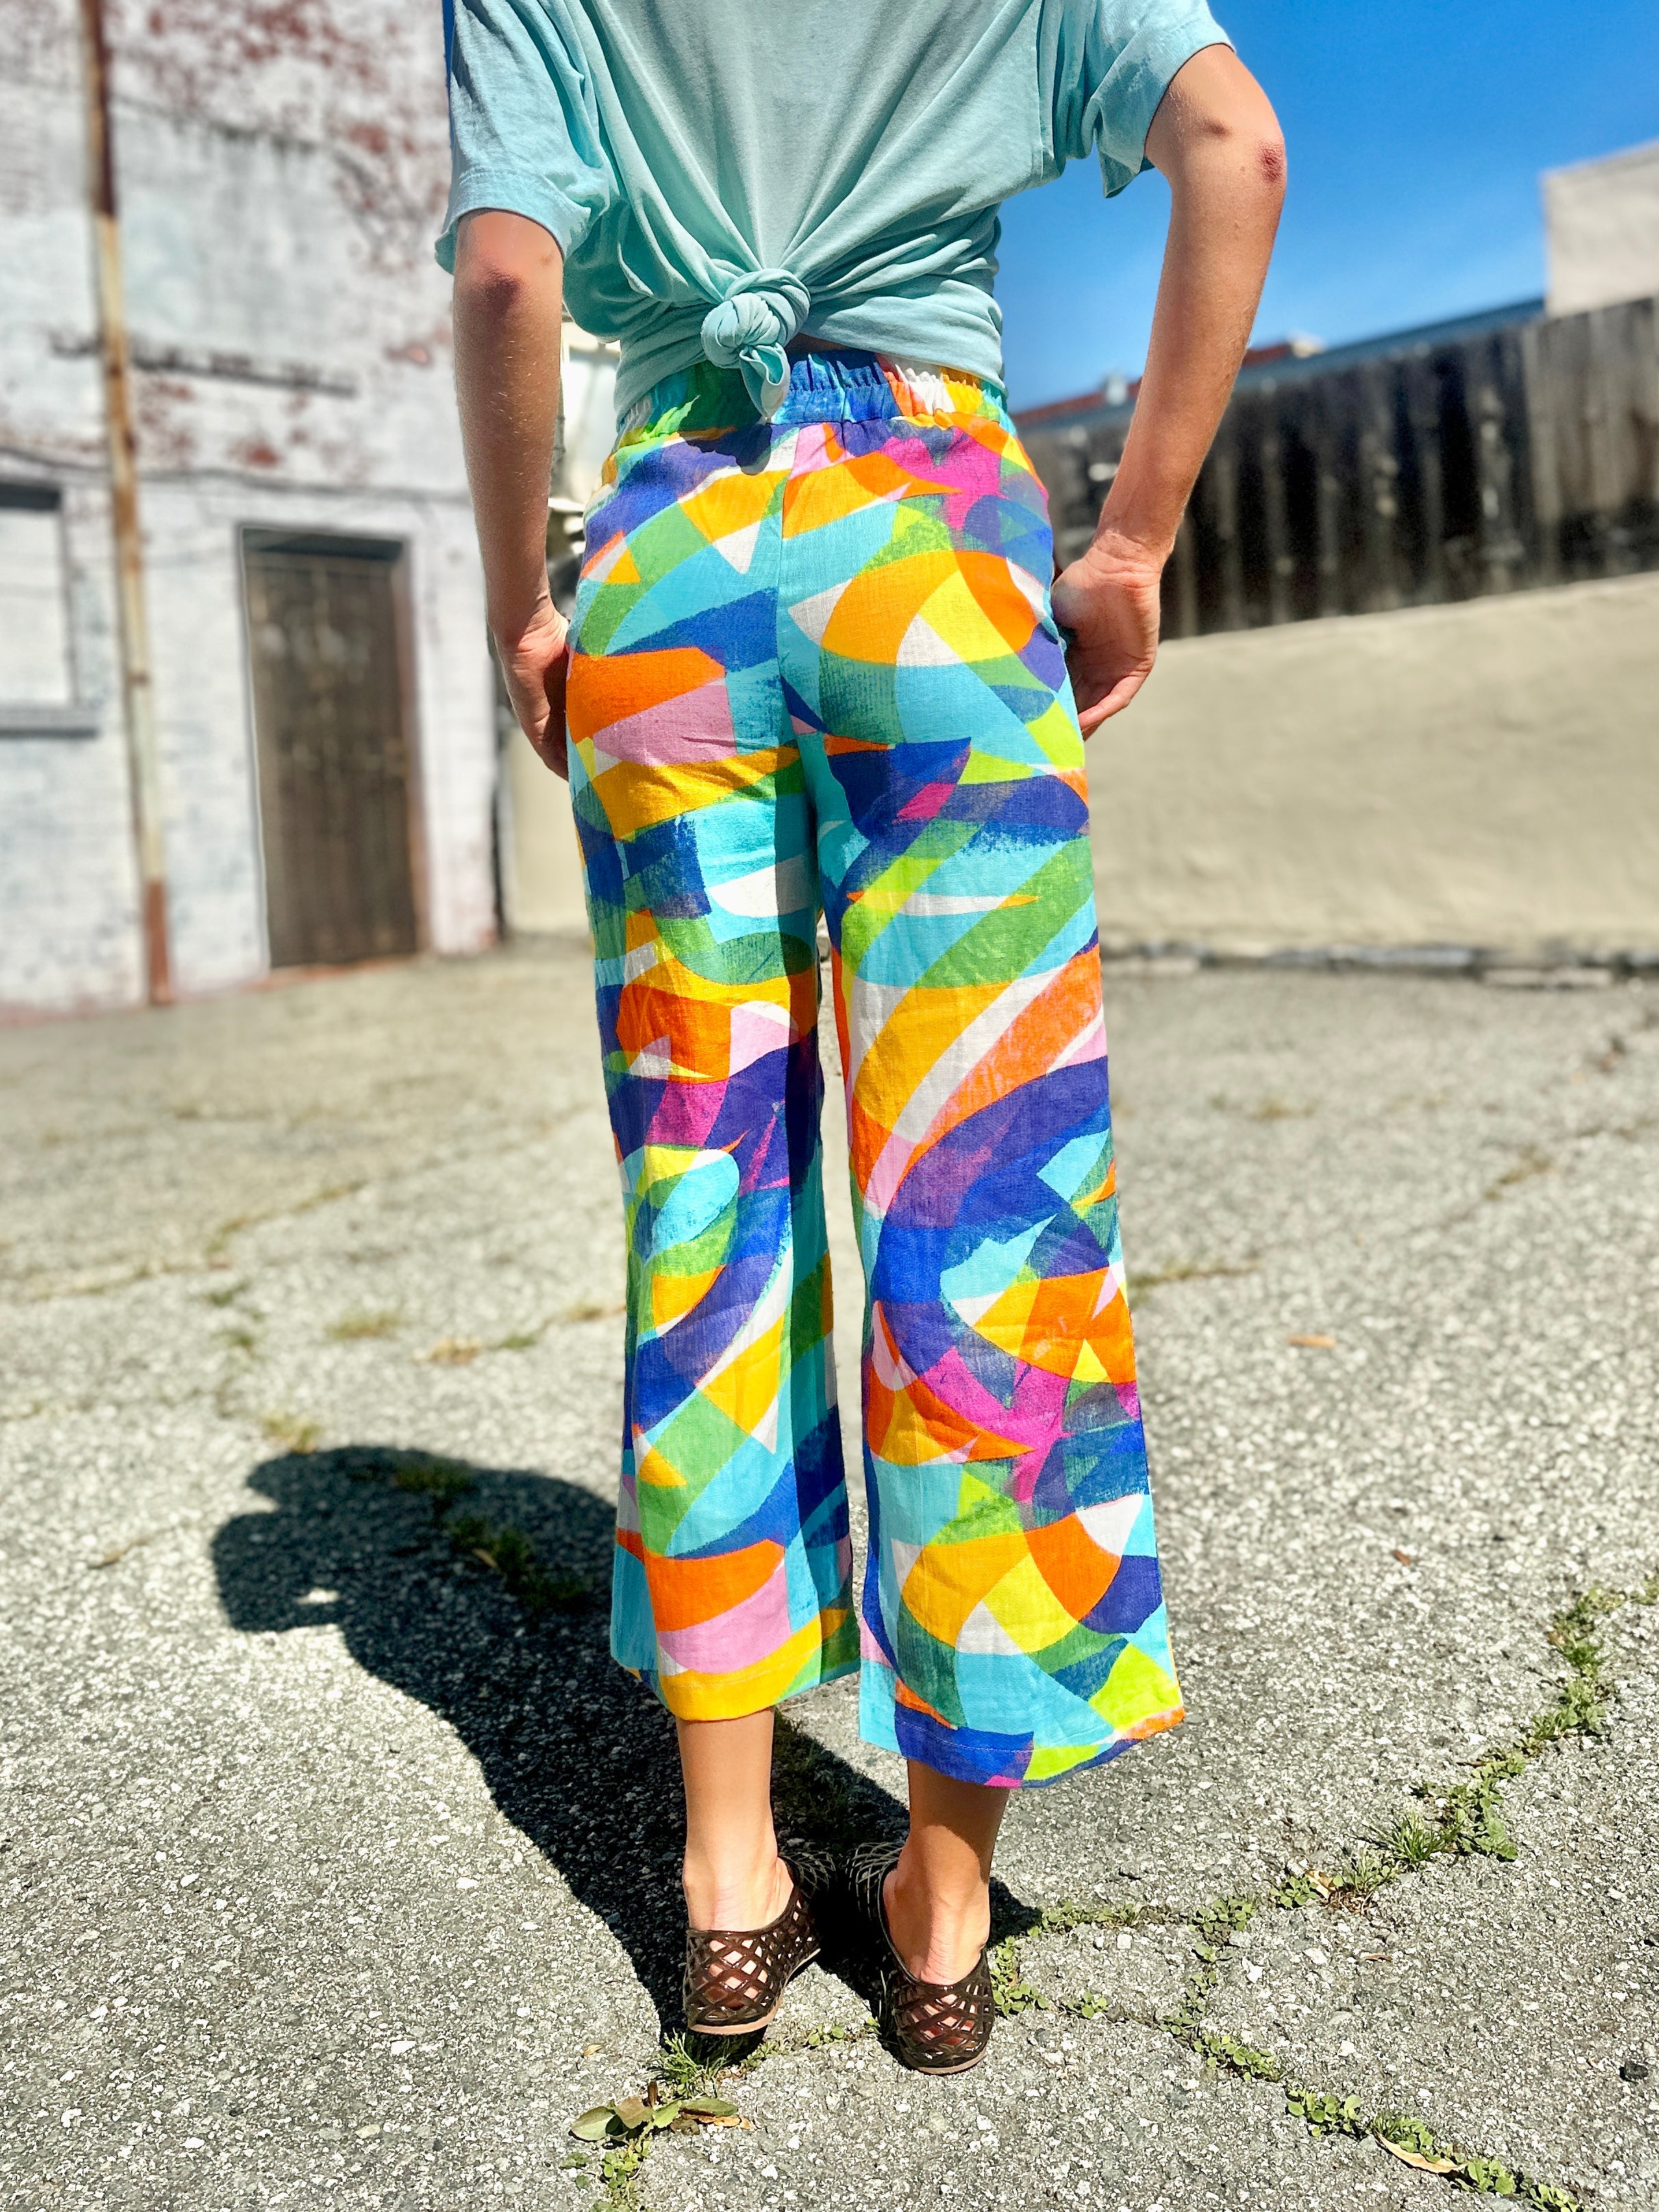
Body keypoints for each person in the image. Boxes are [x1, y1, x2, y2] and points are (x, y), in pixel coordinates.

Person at [442, 0, 1282, 2075]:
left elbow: (507, 277)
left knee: (707, 1195)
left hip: (667, 565)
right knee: (987, 1205)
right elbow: (1236, 148)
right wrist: (1132, 538)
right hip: (932, 542)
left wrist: (523, 597)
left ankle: (728, 1880)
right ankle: (940, 1903)